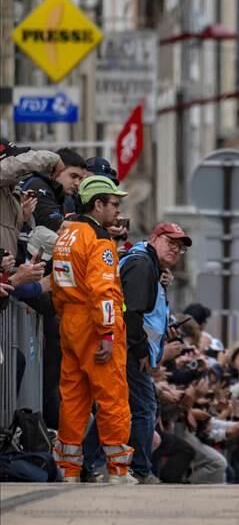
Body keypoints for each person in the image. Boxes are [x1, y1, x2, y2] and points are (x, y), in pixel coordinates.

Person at [50, 175, 134, 483]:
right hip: (94, 323)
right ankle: (118, 469)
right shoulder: (99, 241)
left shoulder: (67, 234)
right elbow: (103, 291)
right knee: (111, 395)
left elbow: (57, 285)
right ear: (97, 204)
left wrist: (66, 317)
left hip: (70, 321)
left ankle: (68, 469)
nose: (118, 210)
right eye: (113, 204)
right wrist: (107, 333)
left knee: (73, 397)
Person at [119, 222, 191, 483]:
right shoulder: (142, 265)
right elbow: (132, 313)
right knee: (143, 408)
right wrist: (141, 351)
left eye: (180, 247)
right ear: (153, 239)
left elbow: (148, 314)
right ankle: (139, 469)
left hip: (130, 347)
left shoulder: (151, 267)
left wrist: (162, 332)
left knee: (120, 407)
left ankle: (96, 461)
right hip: (128, 348)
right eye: (170, 242)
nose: (175, 249)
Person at [1, 141, 60, 259]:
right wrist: (54, 159)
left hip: (9, 267)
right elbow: (16, 166)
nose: (21, 171)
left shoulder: (12, 191)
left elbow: (14, 237)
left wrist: (24, 219)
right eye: (13, 159)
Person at [20, 146, 87, 232]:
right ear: (57, 170)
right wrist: (92, 229)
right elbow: (55, 225)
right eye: (73, 176)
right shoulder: (38, 186)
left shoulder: (58, 192)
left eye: (80, 179)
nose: (77, 183)